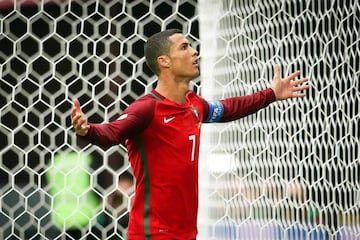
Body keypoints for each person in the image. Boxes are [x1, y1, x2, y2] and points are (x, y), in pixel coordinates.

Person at [71, 29, 309, 239]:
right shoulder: (147, 109)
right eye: (184, 47)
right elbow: (111, 133)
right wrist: (87, 130)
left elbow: (230, 107)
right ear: (164, 61)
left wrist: (271, 94)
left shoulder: (194, 106)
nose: (194, 52)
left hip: (186, 232)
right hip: (153, 232)